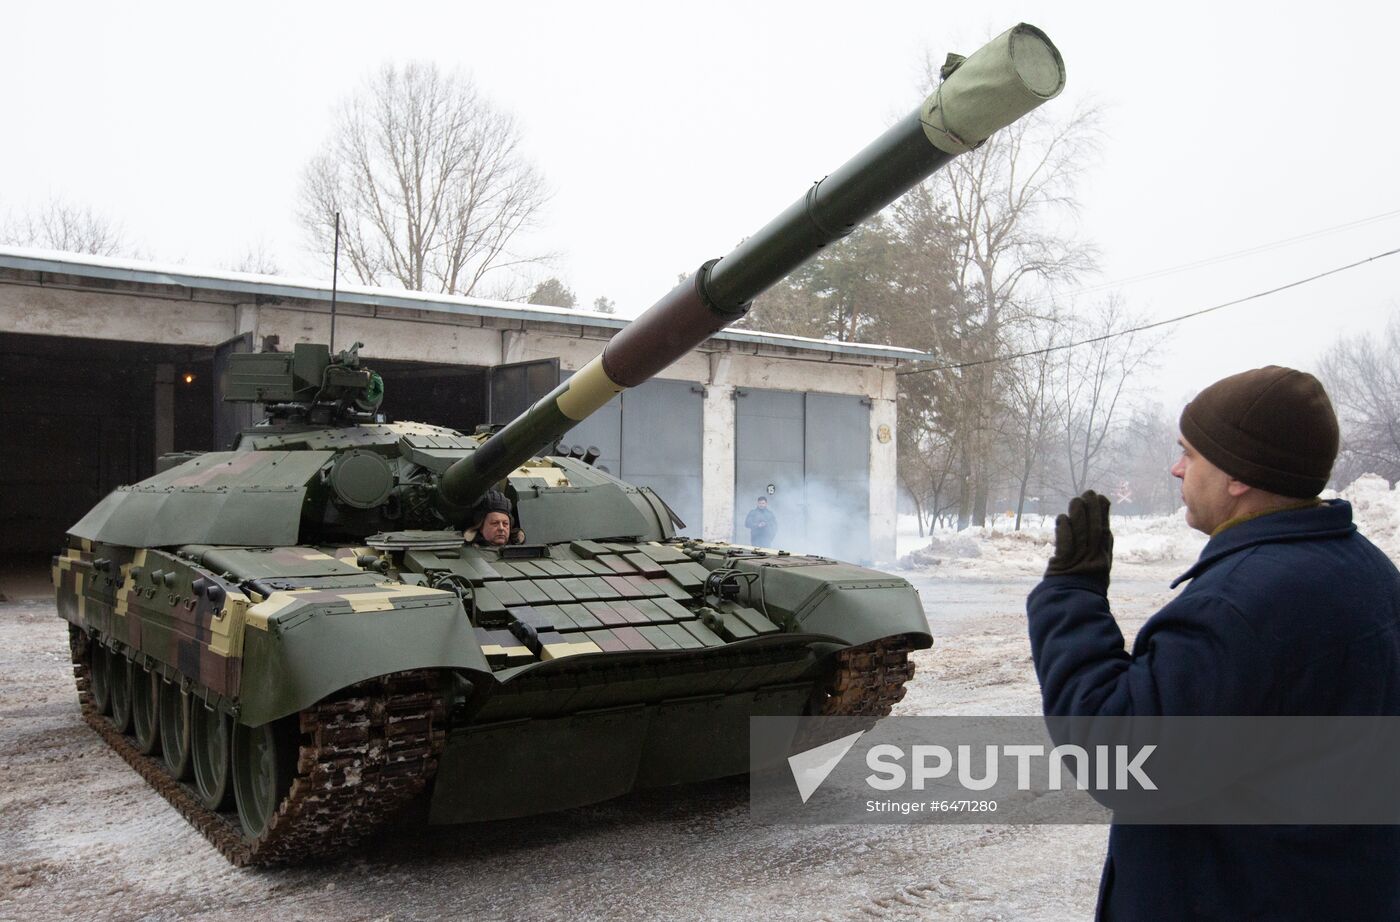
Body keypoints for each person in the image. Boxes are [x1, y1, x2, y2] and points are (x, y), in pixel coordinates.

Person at [1026, 366, 1400, 920]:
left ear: (1239, 475)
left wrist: (1070, 598)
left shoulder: (1241, 606)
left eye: (1191, 454)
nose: (1177, 469)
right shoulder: (1366, 567)